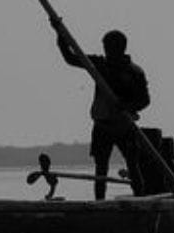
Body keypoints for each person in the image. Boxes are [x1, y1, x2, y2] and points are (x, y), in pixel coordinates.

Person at [52, 21, 150, 199]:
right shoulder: (99, 64)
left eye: (109, 47)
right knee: (101, 168)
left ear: (119, 48)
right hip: (103, 125)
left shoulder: (134, 72)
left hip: (125, 125)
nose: (106, 51)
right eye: (105, 47)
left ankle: (140, 200)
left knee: (133, 165)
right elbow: (71, 58)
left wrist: (126, 105)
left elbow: (144, 100)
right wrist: (60, 35)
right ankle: (100, 203)